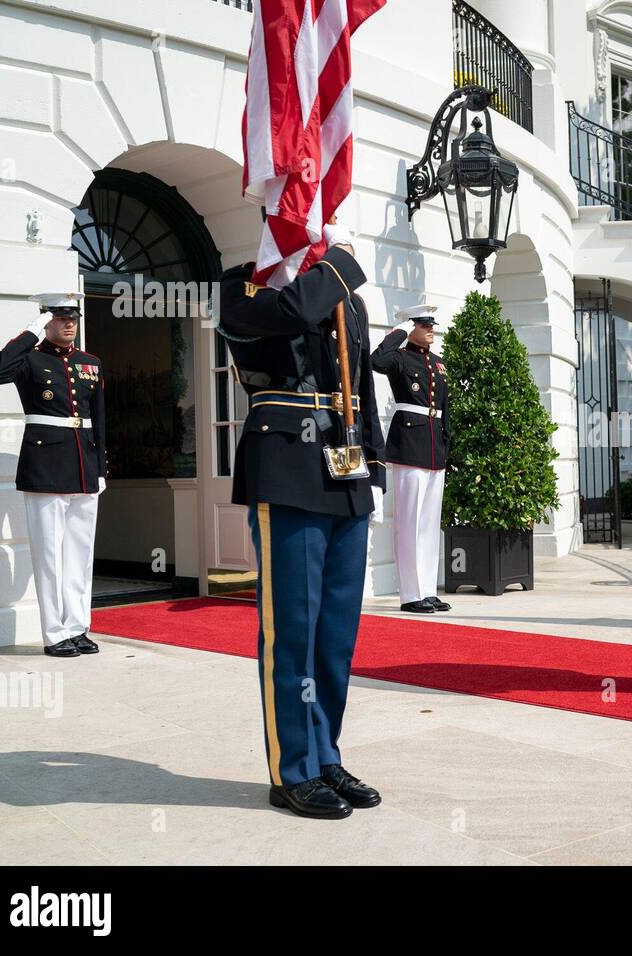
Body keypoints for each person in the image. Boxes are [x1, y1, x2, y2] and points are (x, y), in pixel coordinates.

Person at [217, 219, 387, 820]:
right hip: (285, 462)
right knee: (291, 629)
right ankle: (291, 770)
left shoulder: (344, 298)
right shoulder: (244, 287)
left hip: (345, 472)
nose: (314, 230)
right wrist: (339, 266)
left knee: (336, 634)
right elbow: (292, 311)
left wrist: (374, 464)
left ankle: (324, 754)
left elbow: (358, 384)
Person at [0, 293, 106, 658]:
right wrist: (30, 333)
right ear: (46, 321)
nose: (69, 323)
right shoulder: (29, 359)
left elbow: (97, 418)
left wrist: (101, 467)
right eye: (59, 317)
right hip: (45, 466)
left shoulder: (90, 363)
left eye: (73, 318)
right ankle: (55, 634)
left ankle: (78, 626)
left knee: (80, 555)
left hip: (84, 467)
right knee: (49, 554)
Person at [371, 304, 451, 614]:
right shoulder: (399, 358)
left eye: (431, 323)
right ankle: (410, 594)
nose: (431, 329)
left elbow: (445, 408)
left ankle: (428, 590)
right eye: (423, 324)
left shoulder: (438, 364)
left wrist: (446, 444)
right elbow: (376, 361)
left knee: (430, 523)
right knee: (409, 522)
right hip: (409, 445)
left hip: (433, 447)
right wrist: (400, 331)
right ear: (411, 327)